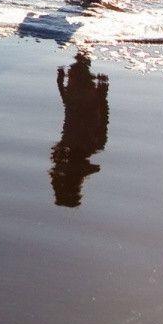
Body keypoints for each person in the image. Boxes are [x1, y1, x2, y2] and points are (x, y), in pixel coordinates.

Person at [50, 51, 109, 207]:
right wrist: (60, 84)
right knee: (82, 56)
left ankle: (83, 51)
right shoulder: (64, 153)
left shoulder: (92, 147)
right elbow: (69, 107)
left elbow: (102, 120)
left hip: (85, 100)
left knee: (82, 57)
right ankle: (83, 51)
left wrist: (103, 96)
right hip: (84, 100)